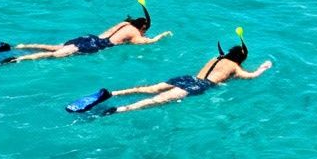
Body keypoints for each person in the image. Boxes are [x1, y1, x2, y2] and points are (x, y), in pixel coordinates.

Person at [70, 33, 271, 115]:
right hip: (200, 85)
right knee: (157, 100)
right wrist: (263, 67)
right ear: (240, 59)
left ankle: (112, 93)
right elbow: (250, 76)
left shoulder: (215, 58)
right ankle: (121, 109)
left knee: (150, 89)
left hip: (188, 78)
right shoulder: (235, 67)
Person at [0, 0, 169, 65]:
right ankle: (17, 59)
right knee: (56, 55)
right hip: (98, 45)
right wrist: (162, 36)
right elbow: (147, 42)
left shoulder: (123, 24)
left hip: (88, 37)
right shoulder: (135, 34)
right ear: (143, 27)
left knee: (53, 47)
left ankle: (17, 46)